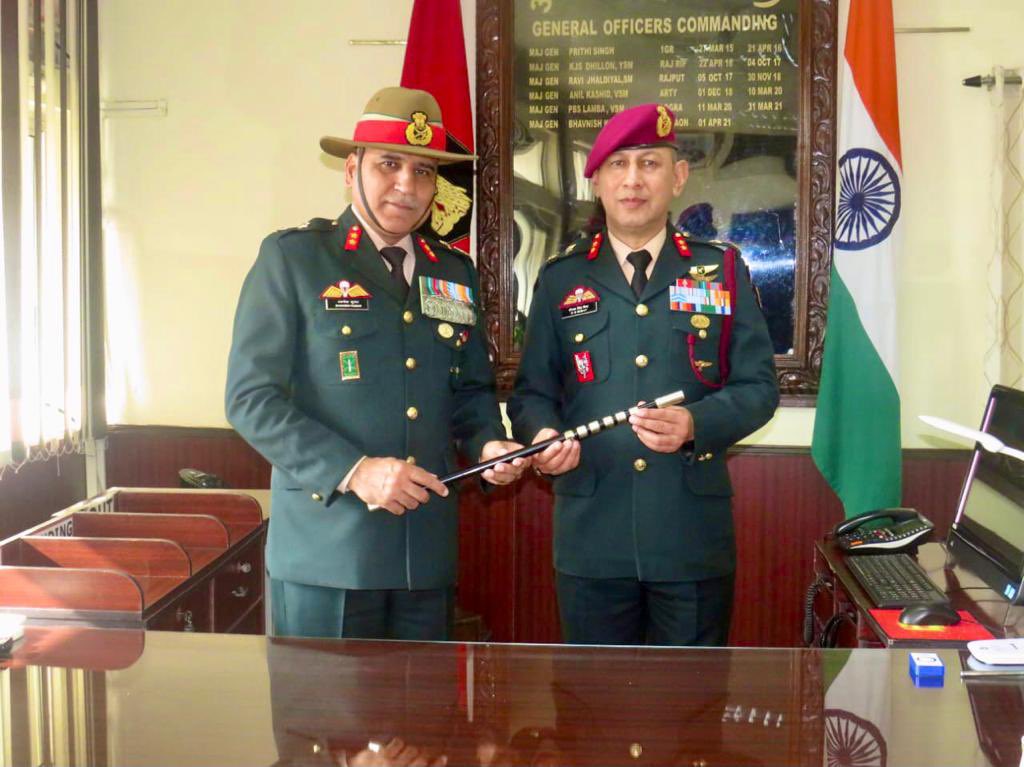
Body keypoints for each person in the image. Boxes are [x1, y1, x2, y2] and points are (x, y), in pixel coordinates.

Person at [226, 86, 526, 641]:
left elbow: (469, 392)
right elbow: (250, 400)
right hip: (328, 554)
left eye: (424, 171)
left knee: (423, 721)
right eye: (389, 164)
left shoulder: (454, 272)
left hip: (424, 555)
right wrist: (354, 470)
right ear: (351, 169)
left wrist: (488, 444)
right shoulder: (295, 259)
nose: (407, 186)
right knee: (328, 724)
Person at [508, 103, 779, 646]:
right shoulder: (562, 278)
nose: (632, 180)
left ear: (677, 177)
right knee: (592, 707)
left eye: (649, 163)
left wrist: (696, 423)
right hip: (591, 535)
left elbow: (759, 389)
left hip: (689, 538)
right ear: (597, 181)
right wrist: (541, 436)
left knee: (691, 712)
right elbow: (532, 392)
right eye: (617, 164)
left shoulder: (720, 269)